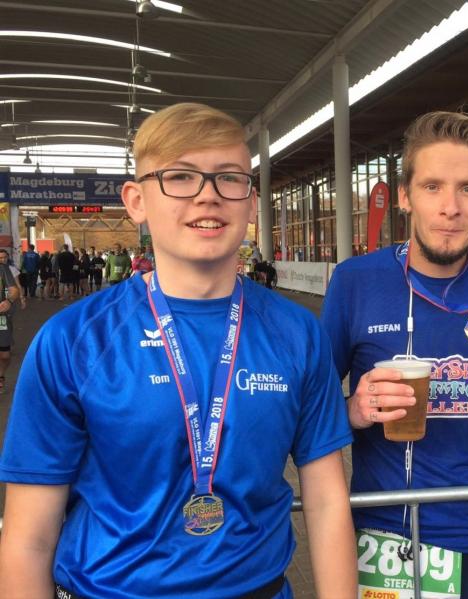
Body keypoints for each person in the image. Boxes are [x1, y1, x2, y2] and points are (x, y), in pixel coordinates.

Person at [0, 102, 356, 598]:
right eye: (181, 177)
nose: (208, 196)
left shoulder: (298, 333)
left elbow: (326, 503)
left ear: (251, 201)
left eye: (229, 178)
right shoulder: (72, 340)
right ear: (136, 200)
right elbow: (28, 538)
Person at [321, 111, 468, 598]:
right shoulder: (355, 281)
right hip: (384, 537)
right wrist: (354, 410)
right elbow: (308, 418)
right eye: (432, 187)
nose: (450, 208)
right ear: (405, 196)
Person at [0, 249, 21, 394]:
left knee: (5, 355)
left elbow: (14, 290)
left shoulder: (3, 269)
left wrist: (9, 300)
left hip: (1, 317)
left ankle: (1, 375)